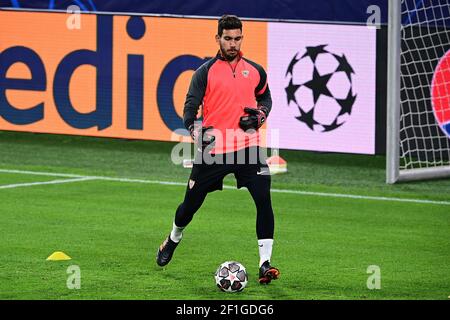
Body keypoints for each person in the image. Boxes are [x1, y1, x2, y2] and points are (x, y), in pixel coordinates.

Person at [156, 14, 279, 284]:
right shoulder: (205, 72)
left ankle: (265, 263)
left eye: (237, 39)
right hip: (214, 151)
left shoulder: (255, 70)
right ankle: (173, 238)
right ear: (218, 39)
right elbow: (190, 106)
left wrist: (260, 115)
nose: (233, 44)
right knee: (190, 205)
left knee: (263, 199)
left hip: (248, 149)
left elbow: (266, 97)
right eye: (227, 39)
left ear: (241, 38)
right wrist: (194, 128)